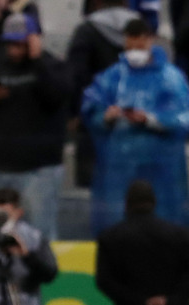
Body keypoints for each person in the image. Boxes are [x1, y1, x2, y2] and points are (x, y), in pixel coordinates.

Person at [81, 18, 189, 236]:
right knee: (118, 225)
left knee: (163, 226)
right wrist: (106, 117)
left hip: (162, 167)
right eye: (130, 47)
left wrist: (150, 120)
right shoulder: (113, 76)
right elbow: (91, 108)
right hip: (119, 168)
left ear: (150, 41)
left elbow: (183, 117)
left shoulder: (171, 78)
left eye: (139, 46)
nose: (134, 52)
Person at [0, 13, 70, 241]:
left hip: (38, 171)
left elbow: (56, 97)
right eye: (10, 44)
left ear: (33, 40)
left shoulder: (52, 66)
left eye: (20, 44)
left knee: (39, 238)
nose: (14, 50)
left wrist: (37, 60)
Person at [67, 0, 137, 188]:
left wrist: (74, 112)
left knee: (91, 190)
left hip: (94, 120)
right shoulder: (140, 30)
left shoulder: (87, 31)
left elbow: (76, 75)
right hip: (133, 120)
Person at [96, 181, 189, 305]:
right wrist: (169, 302)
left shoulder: (110, 237)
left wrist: (141, 303)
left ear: (126, 204)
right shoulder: (181, 235)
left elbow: (105, 281)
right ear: (154, 203)